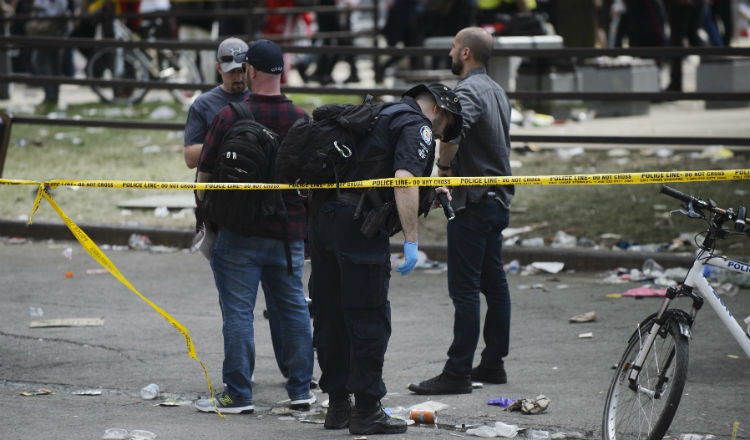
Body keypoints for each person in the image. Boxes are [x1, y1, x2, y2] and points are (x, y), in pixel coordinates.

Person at [308, 83, 463, 434]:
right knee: (367, 317)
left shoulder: (377, 114)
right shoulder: (416, 124)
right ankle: (366, 410)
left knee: (330, 314)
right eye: (447, 126)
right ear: (439, 109)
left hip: (323, 219)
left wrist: (426, 195)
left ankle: (338, 407)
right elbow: (403, 179)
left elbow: (370, 170)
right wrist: (412, 239)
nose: (442, 135)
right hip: (358, 228)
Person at [193, 39, 315, 414]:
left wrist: (206, 219)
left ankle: (238, 394)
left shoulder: (229, 116)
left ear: (252, 71)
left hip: (239, 234)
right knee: (294, 309)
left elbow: (205, 176)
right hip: (287, 235)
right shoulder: (302, 119)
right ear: (282, 72)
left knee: (238, 314)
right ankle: (300, 391)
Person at [408, 27, 514, 395]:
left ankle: (457, 372)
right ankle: (493, 364)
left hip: (473, 199)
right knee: (493, 284)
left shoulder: (466, 91)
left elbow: (451, 131)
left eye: (454, 47)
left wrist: (446, 171)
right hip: (498, 198)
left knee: (465, 289)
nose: (451, 53)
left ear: (466, 53)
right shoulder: (497, 91)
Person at [183, 37, 251, 169]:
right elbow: (190, 159)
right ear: (219, 68)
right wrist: (228, 144)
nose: (238, 78)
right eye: (231, 71)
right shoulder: (202, 104)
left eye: (242, 70)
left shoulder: (261, 98)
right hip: (217, 182)